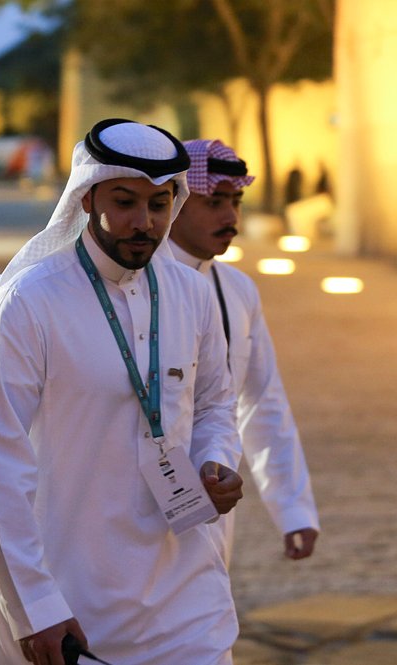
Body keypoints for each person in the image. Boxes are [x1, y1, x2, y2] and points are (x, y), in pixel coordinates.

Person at [0, 118, 244, 665]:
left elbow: (215, 402)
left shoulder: (191, 292)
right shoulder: (29, 302)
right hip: (70, 593)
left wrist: (215, 460)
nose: (143, 222)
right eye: (125, 202)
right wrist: (35, 606)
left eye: (160, 205)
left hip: (186, 595)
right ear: (89, 198)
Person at [167, 138, 319, 563]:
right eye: (214, 201)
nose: (231, 216)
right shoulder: (135, 285)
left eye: (236, 201)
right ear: (174, 202)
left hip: (214, 501)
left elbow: (261, 400)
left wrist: (293, 508)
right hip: (128, 509)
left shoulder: (237, 290)